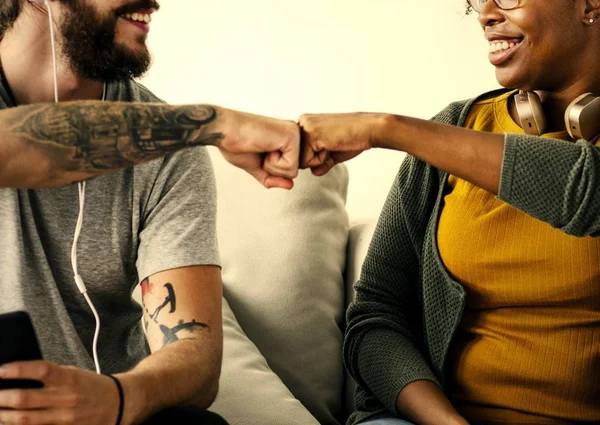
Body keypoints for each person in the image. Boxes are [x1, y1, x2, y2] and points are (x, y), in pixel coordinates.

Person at [299, 0, 600, 424]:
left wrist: (386, 128)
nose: (486, 14)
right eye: (478, 0)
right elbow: (375, 316)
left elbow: (586, 188)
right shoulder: (456, 127)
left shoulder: (428, 138)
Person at [0, 0, 299, 424]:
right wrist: (207, 124)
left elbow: (196, 360)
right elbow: (19, 147)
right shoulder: (185, 129)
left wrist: (119, 398)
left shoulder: (174, 150)